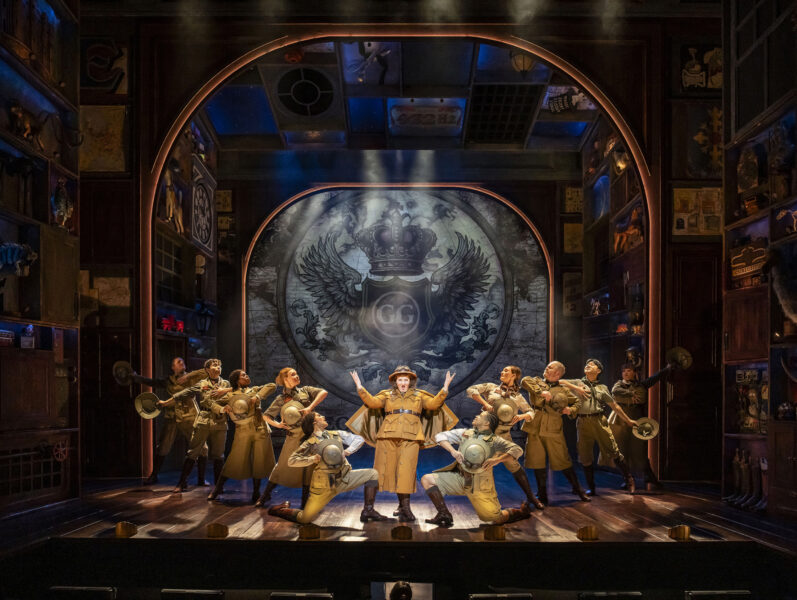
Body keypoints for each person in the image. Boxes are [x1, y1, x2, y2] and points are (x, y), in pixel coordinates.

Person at [347, 365, 457, 522]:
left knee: (406, 472)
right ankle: (368, 510)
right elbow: (372, 403)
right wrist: (360, 387)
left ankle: (405, 508)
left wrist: (445, 388)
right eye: (400, 380)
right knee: (379, 472)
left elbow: (433, 405)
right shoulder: (387, 395)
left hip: (411, 437)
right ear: (395, 382)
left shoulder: (419, 395)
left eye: (406, 380)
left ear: (410, 381)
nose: (403, 383)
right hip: (387, 437)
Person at [267, 411, 387, 524]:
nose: (323, 417)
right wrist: (311, 459)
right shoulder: (310, 443)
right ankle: (280, 510)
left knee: (372, 474)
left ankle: (368, 511)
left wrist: (347, 451)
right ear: (314, 422)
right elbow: (292, 461)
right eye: (319, 416)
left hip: (344, 478)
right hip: (324, 486)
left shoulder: (336, 434)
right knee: (305, 519)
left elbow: (359, 439)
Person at [420, 411, 531, 528]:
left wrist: (497, 460)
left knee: (494, 519)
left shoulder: (495, 440)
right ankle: (444, 514)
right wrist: (453, 451)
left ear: (487, 423)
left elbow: (517, 450)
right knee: (427, 480)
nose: (476, 416)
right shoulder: (466, 433)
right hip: (460, 479)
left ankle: (520, 512)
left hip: (480, 486)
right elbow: (440, 436)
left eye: (480, 416)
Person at [466, 366, 544, 510]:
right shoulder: (491, 387)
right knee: (481, 466)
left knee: (514, 465)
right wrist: (485, 404)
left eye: (506, 371)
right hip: (486, 435)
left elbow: (531, 412)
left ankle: (531, 497)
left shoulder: (518, 397)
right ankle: (483, 502)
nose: (502, 372)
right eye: (502, 371)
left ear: (514, 375)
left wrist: (522, 416)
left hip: (504, 435)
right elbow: (471, 390)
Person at [517, 361, 590, 503]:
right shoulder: (536, 382)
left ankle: (578, 489)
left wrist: (570, 410)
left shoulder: (563, 390)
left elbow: (577, 402)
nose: (546, 368)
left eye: (550, 367)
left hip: (553, 428)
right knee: (537, 461)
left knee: (563, 460)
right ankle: (542, 494)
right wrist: (541, 392)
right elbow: (525, 381)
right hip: (535, 427)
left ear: (557, 373)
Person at [255, 367, 327, 508]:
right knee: (282, 466)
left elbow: (323, 392)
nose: (297, 376)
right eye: (293, 374)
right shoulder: (281, 399)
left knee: (308, 469)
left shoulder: (305, 390)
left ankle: (305, 503)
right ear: (285, 379)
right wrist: (278, 425)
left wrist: (310, 407)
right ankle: (264, 496)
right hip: (293, 437)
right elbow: (266, 416)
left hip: (309, 435)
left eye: (296, 373)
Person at [207, 369, 278, 503]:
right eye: (243, 376)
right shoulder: (230, 395)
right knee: (234, 459)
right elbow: (213, 404)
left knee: (259, 460)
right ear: (237, 380)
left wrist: (257, 397)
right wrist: (223, 409)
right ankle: (217, 489)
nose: (247, 377)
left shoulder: (254, 390)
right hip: (242, 429)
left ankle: (256, 492)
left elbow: (272, 386)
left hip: (259, 428)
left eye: (246, 374)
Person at [161, 358, 230, 492]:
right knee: (193, 451)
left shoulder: (226, 383)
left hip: (219, 421)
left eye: (219, 366)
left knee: (218, 454)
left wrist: (225, 390)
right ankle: (181, 483)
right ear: (208, 369)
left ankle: (218, 486)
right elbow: (184, 393)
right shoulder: (202, 383)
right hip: (203, 420)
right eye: (214, 365)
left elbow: (237, 391)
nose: (218, 367)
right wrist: (166, 402)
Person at [571, 358, 638, 495]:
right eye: (587, 364)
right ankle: (591, 488)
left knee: (613, 450)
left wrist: (628, 420)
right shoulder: (577, 383)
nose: (588, 365)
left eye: (592, 365)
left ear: (599, 371)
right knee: (585, 455)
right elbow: (560, 382)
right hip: (582, 422)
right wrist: (576, 388)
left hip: (599, 420)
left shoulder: (602, 388)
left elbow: (615, 406)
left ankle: (629, 479)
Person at [142, 357, 208, 485]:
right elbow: (153, 382)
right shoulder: (169, 381)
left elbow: (207, 372)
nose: (181, 363)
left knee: (201, 447)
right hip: (172, 417)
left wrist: (191, 375)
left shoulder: (192, 377)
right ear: (173, 368)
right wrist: (135, 377)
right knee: (163, 447)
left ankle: (201, 479)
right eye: (178, 362)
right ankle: (153, 476)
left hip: (190, 417)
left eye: (182, 361)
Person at [610, 363, 665, 490]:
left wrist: (667, 369)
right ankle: (628, 478)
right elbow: (615, 393)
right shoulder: (619, 384)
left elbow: (653, 380)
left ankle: (649, 475)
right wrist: (631, 394)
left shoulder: (641, 385)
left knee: (640, 450)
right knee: (621, 451)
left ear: (634, 373)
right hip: (620, 420)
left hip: (637, 420)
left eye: (629, 371)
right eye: (624, 371)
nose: (626, 373)